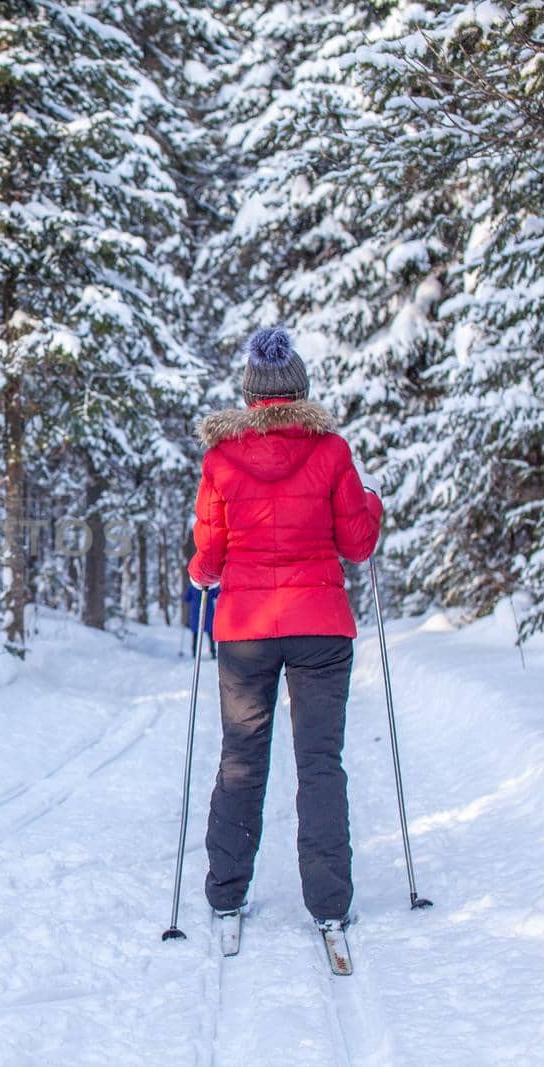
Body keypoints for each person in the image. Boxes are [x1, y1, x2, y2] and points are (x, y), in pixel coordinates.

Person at [187, 326, 382, 932]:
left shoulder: (220, 460)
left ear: (249, 397)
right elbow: (357, 543)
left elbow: (210, 553)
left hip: (245, 631)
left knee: (241, 757)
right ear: (300, 391)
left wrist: (200, 570)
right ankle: (329, 904)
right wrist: (370, 503)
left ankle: (225, 893)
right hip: (321, 629)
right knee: (320, 761)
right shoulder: (331, 452)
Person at [181, 562, 218, 659]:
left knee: (196, 633)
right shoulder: (210, 584)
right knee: (210, 633)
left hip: (196, 613)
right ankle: (213, 652)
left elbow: (186, 598)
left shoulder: (192, 586)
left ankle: (194, 653)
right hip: (208, 612)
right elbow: (217, 593)